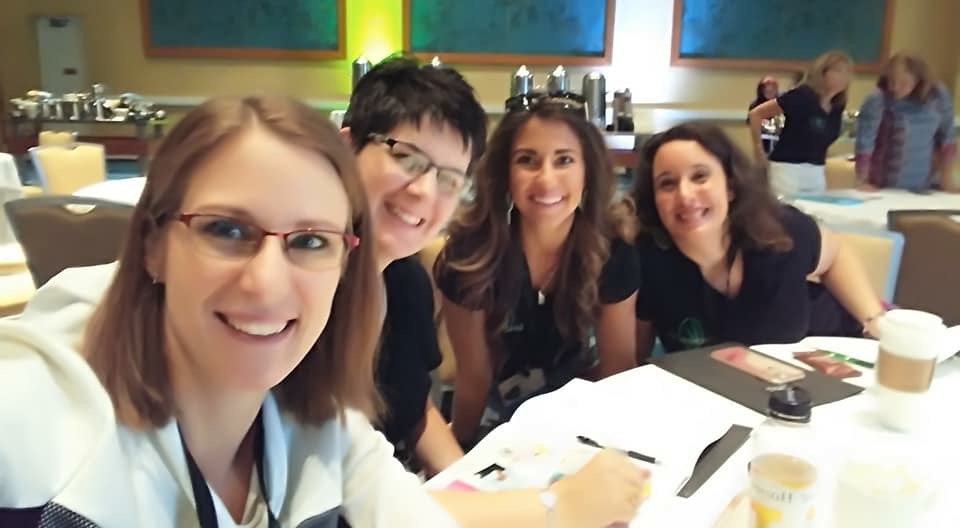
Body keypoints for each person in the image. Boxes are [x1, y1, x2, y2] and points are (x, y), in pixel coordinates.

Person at [0, 96, 459, 526]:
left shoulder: (322, 424)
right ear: (152, 246)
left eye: (310, 241)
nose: (266, 283)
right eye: (226, 230)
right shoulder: (33, 430)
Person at [435, 91, 640, 448]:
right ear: (505, 174)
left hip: (582, 418)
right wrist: (457, 457)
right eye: (527, 160)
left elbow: (618, 371)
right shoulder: (469, 257)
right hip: (495, 418)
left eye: (564, 160)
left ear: (588, 172)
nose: (546, 180)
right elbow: (474, 379)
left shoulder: (614, 251)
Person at [629, 123, 885, 360]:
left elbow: (835, 255)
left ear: (730, 186)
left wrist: (874, 321)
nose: (685, 195)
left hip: (830, 358)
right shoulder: (647, 262)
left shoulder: (781, 232)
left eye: (700, 177)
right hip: (729, 388)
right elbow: (634, 359)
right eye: (667, 184)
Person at [749, 51, 853, 196]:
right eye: (838, 71)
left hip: (816, 171)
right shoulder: (802, 95)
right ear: (822, 73)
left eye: (847, 72)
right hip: (787, 169)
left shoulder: (837, 105)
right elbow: (756, 114)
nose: (843, 77)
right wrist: (758, 149)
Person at [855, 53, 957, 192]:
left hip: (923, 184)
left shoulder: (938, 96)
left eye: (904, 82)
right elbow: (865, 142)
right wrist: (862, 180)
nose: (896, 88)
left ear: (918, 79)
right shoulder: (877, 100)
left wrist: (947, 177)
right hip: (883, 184)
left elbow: (947, 139)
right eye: (892, 81)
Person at [746, 76, 782, 155]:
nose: (770, 89)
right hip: (762, 142)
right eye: (767, 86)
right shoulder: (755, 105)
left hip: (780, 142)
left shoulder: (781, 103)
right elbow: (750, 121)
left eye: (773, 87)